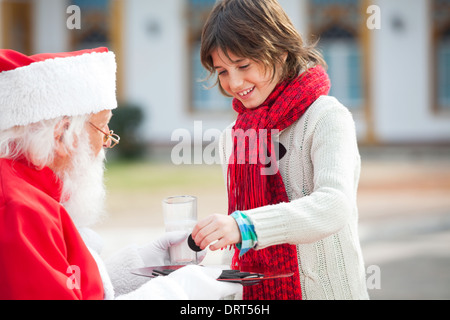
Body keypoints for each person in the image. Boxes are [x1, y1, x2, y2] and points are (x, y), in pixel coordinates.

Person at [0, 47, 240, 300]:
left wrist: (141, 265)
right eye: (103, 126)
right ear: (61, 135)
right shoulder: (19, 210)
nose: (107, 141)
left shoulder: (29, 190)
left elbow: (78, 289)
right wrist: (178, 291)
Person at [191, 0, 369, 300]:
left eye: (243, 65)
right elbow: (243, 239)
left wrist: (244, 225)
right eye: (222, 71)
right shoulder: (233, 138)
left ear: (279, 51)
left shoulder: (326, 116)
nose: (234, 83)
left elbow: (334, 206)